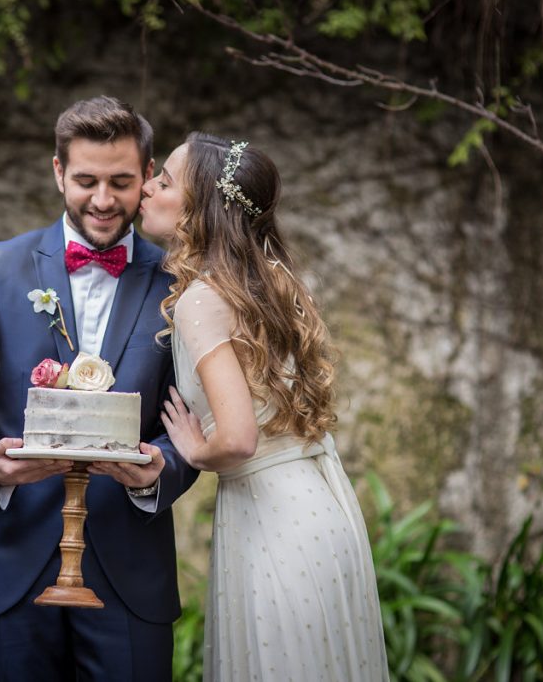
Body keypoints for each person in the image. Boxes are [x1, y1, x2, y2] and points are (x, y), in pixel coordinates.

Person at [0, 96, 199, 681]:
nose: (102, 200)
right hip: (9, 553)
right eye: (86, 180)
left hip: (128, 563)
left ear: (148, 178)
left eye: (122, 181)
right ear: (57, 172)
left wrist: (162, 472)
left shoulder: (185, 285)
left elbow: (194, 421)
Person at [140, 132, 389, 681]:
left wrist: (195, 449)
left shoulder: (202, 300)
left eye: (164, 181)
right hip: (321, 508)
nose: (145, 187)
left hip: (275, 523)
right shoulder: (268, 283)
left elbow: (237, 438)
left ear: (198, 207)